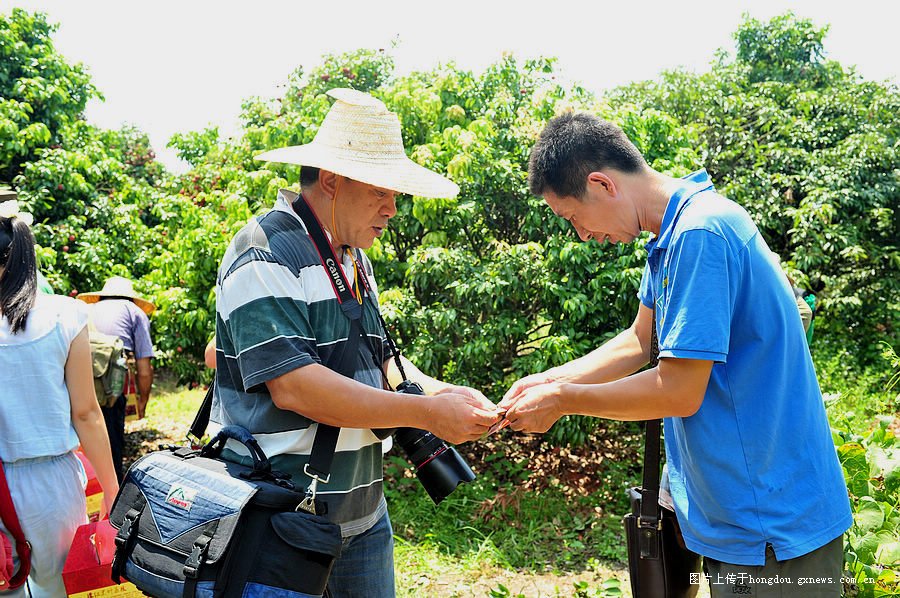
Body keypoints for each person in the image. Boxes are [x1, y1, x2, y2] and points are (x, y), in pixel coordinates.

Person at [500, 113, 851, 597]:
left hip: (771, 523)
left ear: (602, 184)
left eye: (573, 218)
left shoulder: (698, 235)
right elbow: (640, 341)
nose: (582, 235)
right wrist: (546, 380)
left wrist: (562, 401)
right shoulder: (673, 232)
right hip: (741, 515)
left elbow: (679, 390)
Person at [211, 88, 500, 597]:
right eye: (382, 191)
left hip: (362, 513)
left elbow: (380, 359)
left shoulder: (351, 257)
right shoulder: (265, 250)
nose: (393, 208)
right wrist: (426, 415)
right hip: (280, 515)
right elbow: (295, 387)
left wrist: (443, 395)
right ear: (332, 180)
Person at [0, 199, 119, 597]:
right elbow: (86, 413)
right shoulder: (64, 315)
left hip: (3, 480)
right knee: (58, 587)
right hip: (53, 481)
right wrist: (110, 485)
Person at [77, 276, 155, 481]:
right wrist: (143, 400)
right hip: (112, 380)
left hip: (79, 373)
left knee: (83, 434)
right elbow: (144, 368)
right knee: (111, 435)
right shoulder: (134, 312)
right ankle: (112, 491)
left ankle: (88, 483)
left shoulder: (87, 310)